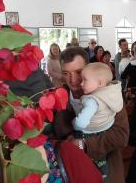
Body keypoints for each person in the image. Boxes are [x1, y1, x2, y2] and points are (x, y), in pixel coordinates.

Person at [52, 46, 129, 183]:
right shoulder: (57, 97)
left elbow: (121, 135)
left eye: (78, 72)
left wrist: (84, 144)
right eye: (66, 73)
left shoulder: (109, 95)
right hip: (72, 173)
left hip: (108, 171)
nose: (73, 79)